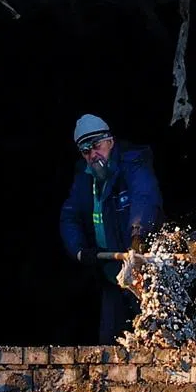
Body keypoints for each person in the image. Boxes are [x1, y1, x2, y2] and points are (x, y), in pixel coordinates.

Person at [60, 115, 164, 342]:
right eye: (86, 151)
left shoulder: (132, 163)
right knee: (109, 342)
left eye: (96, 146)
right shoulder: (85, 179)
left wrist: (138, 234)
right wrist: (79, 249)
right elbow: (70, 216)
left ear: (110, 141)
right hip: (112, 275)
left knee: (156, 338)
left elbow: (144, 196)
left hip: (143, 272)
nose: (92, 156)